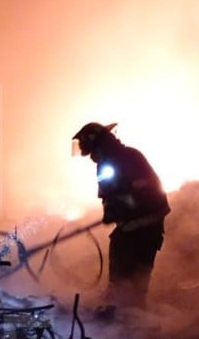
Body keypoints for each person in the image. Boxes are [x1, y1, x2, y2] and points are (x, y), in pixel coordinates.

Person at [72, 122, 170, 313]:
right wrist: (111, 212)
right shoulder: (113, 160)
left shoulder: (123, 159)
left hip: (144, 224)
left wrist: (120, 210)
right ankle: (126, 310)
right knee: (128, 264)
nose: (88, 155)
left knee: (128, 266)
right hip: (141, 224)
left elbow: (139, 191)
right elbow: (109, 194)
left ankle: (125, 314)